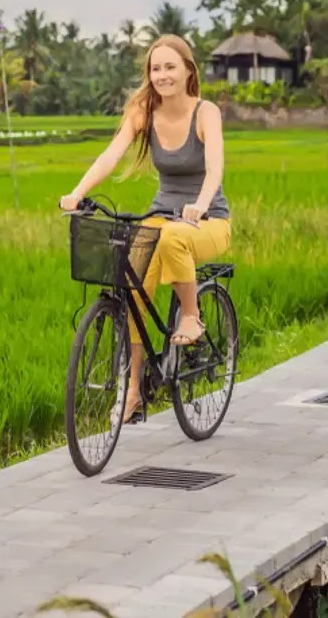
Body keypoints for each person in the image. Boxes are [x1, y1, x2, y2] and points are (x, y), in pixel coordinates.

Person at [59, 34, 232, 423]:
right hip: (162, 217)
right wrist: (77, 193)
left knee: (172, 236)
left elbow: (216, 167)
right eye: (156, 68)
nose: (162, 75)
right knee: (133, 287)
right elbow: (111, 154)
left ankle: (191, 315)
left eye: (170, 67)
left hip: (208, 221)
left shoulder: (206, 113)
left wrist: (200, 205)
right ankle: (133, 390)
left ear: (189, 70)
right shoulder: (144, 109)